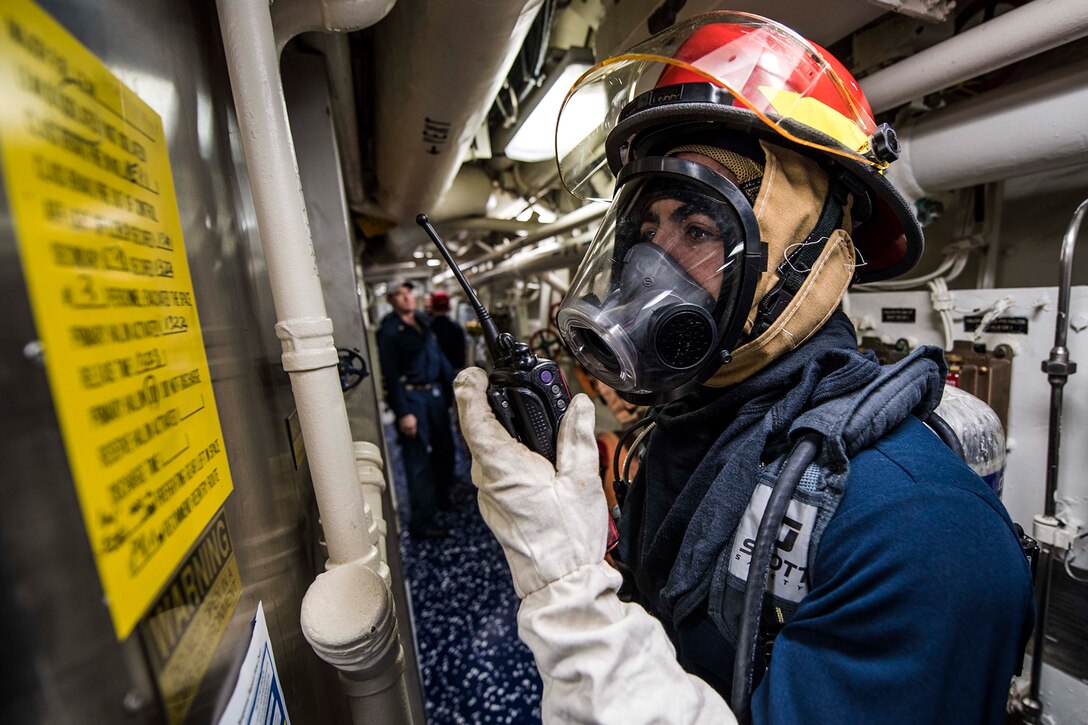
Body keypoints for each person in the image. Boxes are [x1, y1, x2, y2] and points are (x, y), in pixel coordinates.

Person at [453, 12, 1033, 723]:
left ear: (808, 257)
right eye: (643, 231)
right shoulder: (691, 430)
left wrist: (570, 593)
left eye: (696, 229)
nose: (648, 268)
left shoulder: (922, 532)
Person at [377, 281, 455, 539]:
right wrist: (403, 412)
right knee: (418, 459)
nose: (406, 297)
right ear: (390, 300)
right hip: (413, 399)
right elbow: (390, 373)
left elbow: (438, 356)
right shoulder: (389, 331)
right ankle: (422, 521)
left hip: (435, 395)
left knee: (444, 450)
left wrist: (453, 388)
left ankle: (443, 498)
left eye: (408, 292)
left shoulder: (422, 320)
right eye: (399, 294)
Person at [428, 290, 467, 370]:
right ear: (448, 307)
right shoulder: (456, 328)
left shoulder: (427, 328)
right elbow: (460, 356)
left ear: (432, 307)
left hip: (432, 373)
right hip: (452, 371)